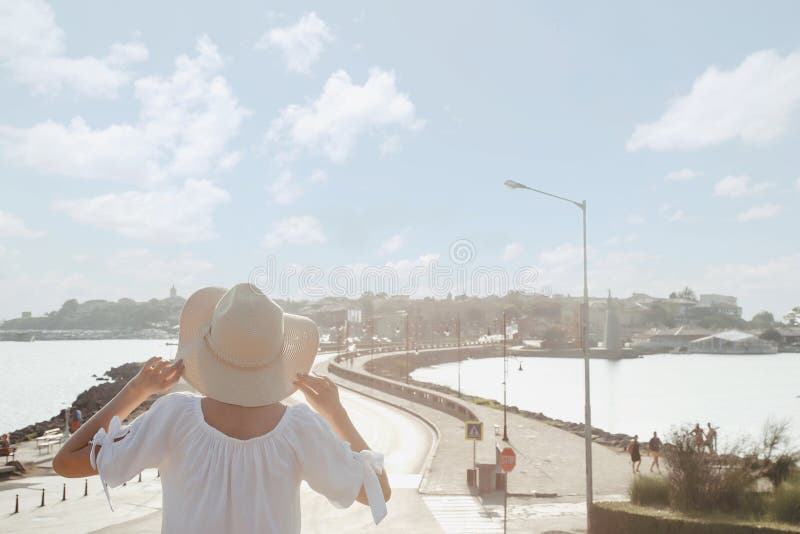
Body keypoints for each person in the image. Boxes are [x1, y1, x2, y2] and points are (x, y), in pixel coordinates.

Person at [53, 284, 391, 533]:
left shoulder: (172, 418)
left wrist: (136, 390)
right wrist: (336, 414)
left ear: (209, 349)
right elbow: (379, 492)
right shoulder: (301, 428)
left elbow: (66, 461)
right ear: (276, 358)